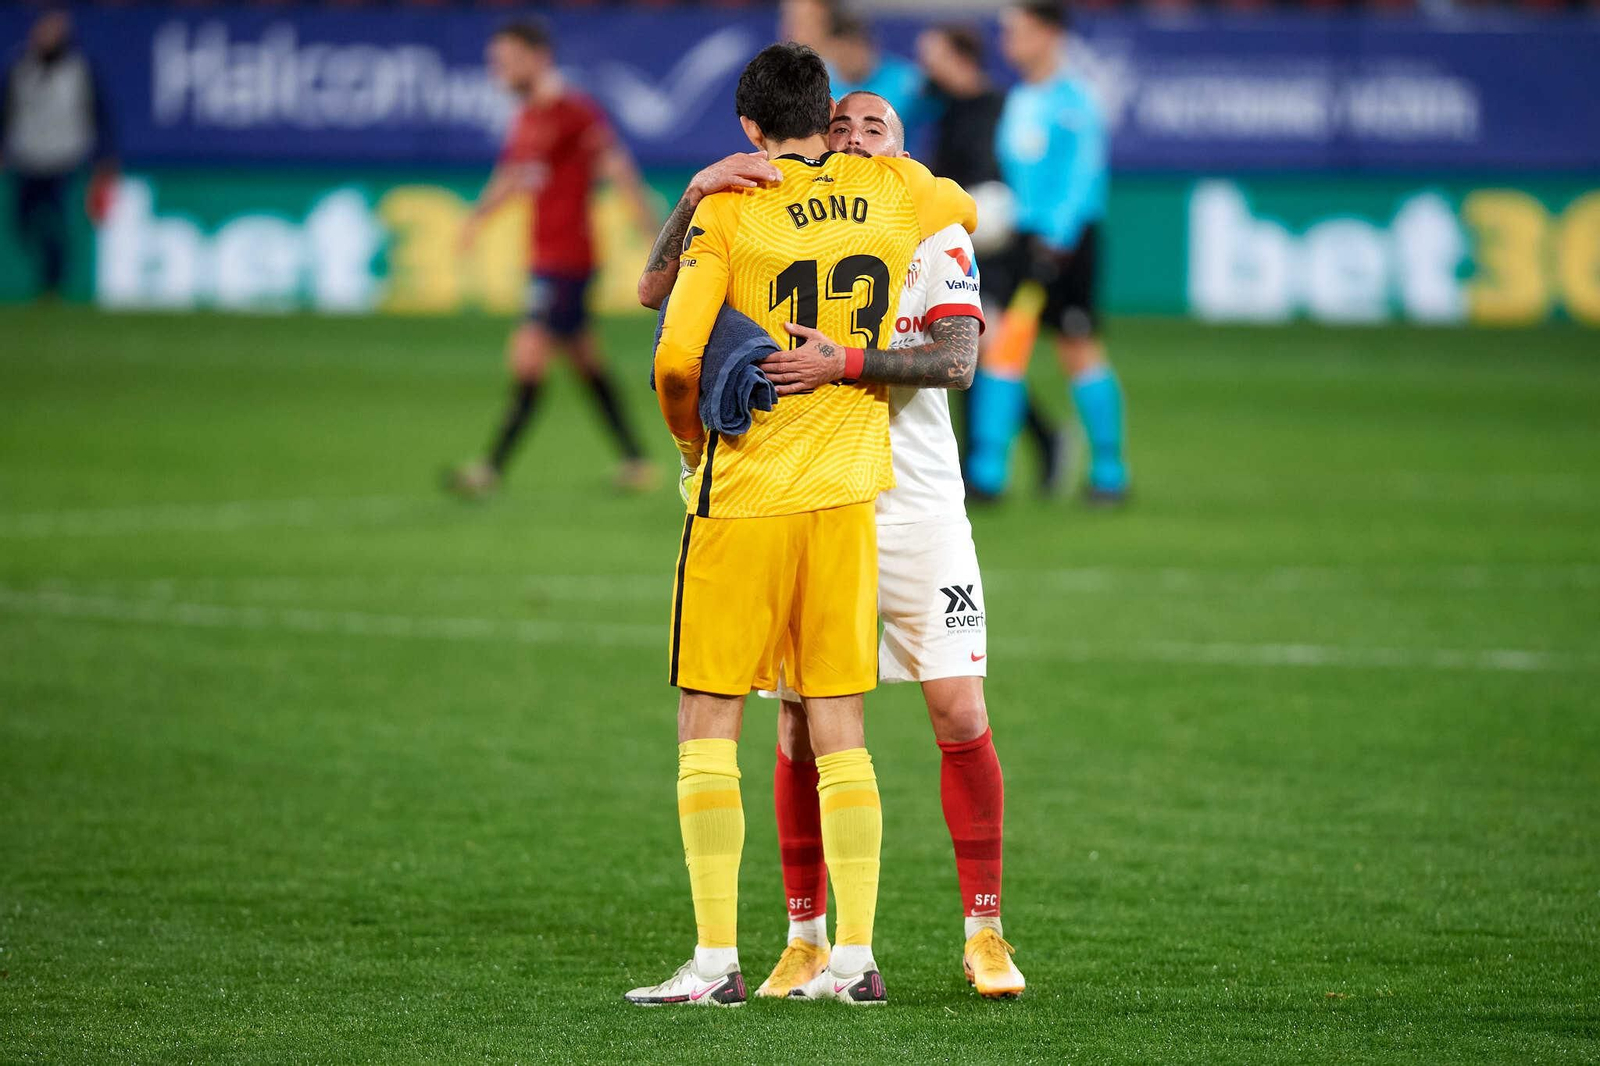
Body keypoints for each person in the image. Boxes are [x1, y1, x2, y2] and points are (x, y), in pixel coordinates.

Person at [643, 90, 1025, 1001]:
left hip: (917, 509)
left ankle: (985, 931)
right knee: (800, 727)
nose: (854, 139)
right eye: (841, 126)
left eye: (875, 128)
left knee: (960, 712)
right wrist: (698, 196)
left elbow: (961, 362)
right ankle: (809, 940)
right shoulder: (776, 219)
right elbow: (659, 294)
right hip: (813, 498)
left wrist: (842, 362)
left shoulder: (930, 228)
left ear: (900, 148)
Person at [445, 21, 657, 500]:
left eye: (507, 59)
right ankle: (636, 460)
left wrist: (654, 234)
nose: (498, 70)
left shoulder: (575, 113)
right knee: (585, 362)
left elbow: (618, 168)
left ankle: (490, 468)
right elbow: (512, 175)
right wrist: (476, 220)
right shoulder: (527, 118)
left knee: (528, 355)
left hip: (570, 259)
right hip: (544, 258)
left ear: (538, 58)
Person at [968, 0, 1129, 504]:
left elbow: (1082, 178)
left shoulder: (1074, 101)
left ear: (1049, 34)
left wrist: (1056, 243)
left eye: (1017, 30)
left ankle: (1110, 473)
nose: (1007, 40)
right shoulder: (1020, 99)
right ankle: (986, 473)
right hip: (1020, 240)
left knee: (1076, 349)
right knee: (1001, 345)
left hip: (1065, 245)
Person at [918, 23, 1066, 495]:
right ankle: (1029, 445)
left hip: (996, 247)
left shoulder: (999, 108)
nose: (927, 66)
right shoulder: (945, 109)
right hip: (956, 240)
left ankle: (986, 464)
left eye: (935, 55)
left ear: (960, 57)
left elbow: (1009, 178)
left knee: (980, 351)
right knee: (970, 350)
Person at [1, 10, 116, 300]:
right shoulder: (19, 67)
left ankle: (52, 285)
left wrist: (104, 159)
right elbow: (5, 112)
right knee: (22, 223)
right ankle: (46, 278)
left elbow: (100, 114)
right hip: (26, 157)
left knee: (58, 223)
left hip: (65, 157)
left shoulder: (81, 69)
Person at [825, 14, 926, 129]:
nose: (849, 58)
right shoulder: (817, 85)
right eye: (842, 51)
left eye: (855, 49)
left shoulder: (907, 80)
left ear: (871, 48)